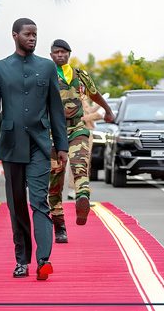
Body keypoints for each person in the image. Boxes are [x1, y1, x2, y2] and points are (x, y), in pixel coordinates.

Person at [0, 18, 68, 280]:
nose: (32, 38)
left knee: (39, 201)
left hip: (40, 145)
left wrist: (61, 144)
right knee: (17, 205)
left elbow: (55, 108)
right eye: (28, 34)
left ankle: (43, 260)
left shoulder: (47, 67)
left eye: (35, 34)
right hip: (11, 145)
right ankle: (22, 260)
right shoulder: (0, 69)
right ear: (15, 35)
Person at [47, 39, 114, 243]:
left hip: (77, 127)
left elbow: (94, 93)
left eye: (63, 52)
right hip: (53, 131)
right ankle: (59, 226)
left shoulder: (79, 74)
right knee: (55, 179)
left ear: (69, 54)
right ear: (51, 56)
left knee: (80, 165)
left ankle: (82, 198)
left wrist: (108, 110)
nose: (60, 55)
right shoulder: (45, 75)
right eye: (56, 52)